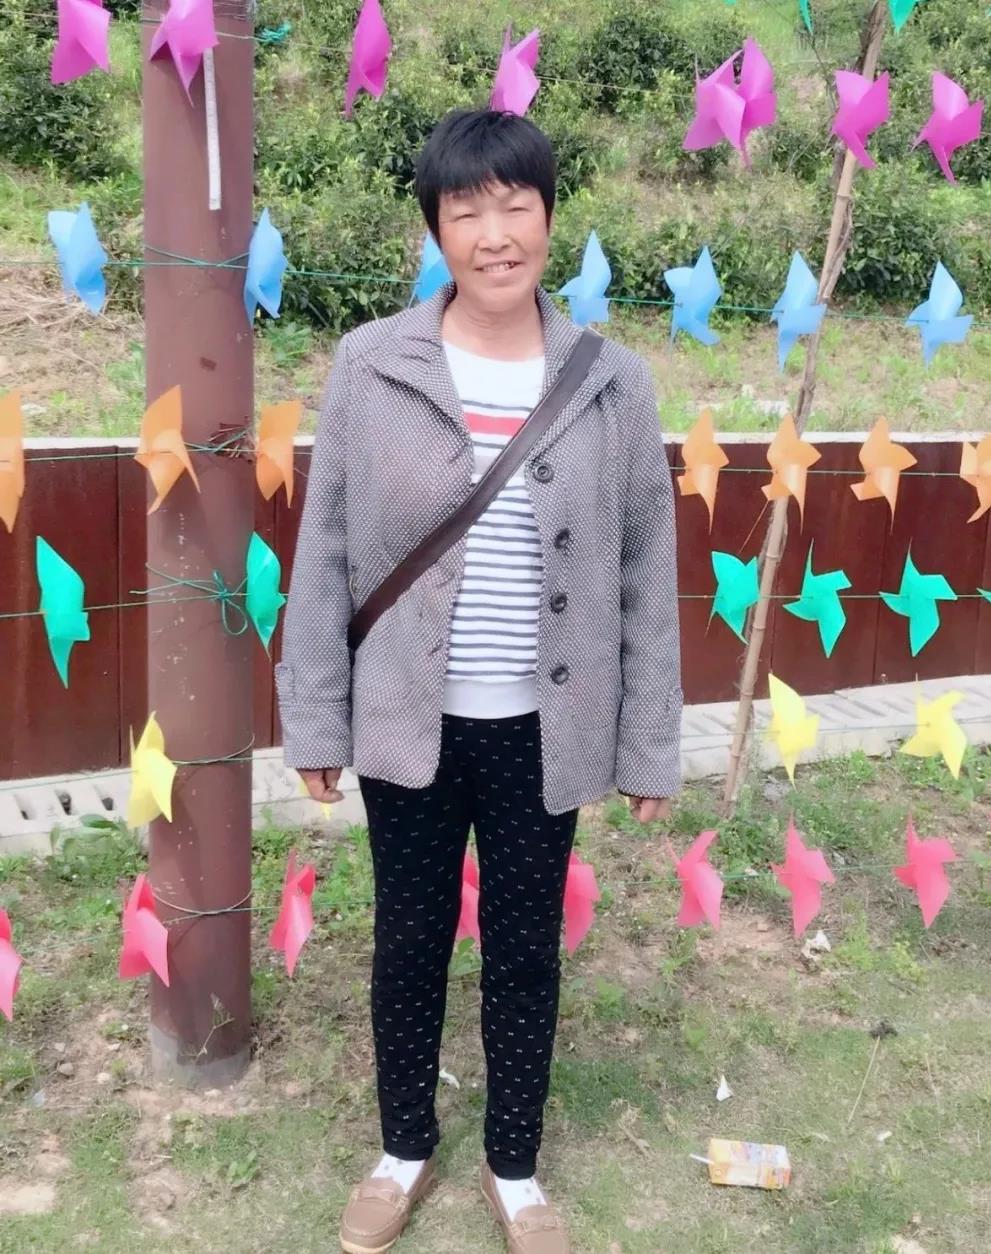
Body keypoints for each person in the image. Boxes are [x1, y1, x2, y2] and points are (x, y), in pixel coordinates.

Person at [275, 107, 682, 1254]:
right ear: (436, 230)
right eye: (467, 211)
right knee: (408, 939)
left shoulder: (612, 382)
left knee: (523, 948)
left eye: (516, 205)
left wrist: (649, 743)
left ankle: (515, 1166)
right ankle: (403, 1149)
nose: (495, 233)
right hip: (409, 723)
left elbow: (647, 571)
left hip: (542, 730)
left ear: (549, 217)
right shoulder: (372, 365)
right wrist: (317, 718)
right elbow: (326, 550)